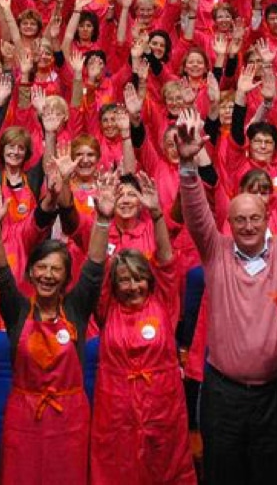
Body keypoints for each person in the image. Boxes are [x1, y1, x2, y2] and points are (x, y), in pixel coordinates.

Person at [177, 109, 277, 484]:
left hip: (276, 394)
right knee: (223, 474)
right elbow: (196, 212)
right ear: (229, 224)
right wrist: (187, 163)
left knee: (275, 475)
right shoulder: (215, 251)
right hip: (223, 394)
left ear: (268, 218)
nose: (248, 226)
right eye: (239, 220)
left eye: (255, 218)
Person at [0, 167, 108, 485]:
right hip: (24, 418)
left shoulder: (77, 308)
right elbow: (0, 273)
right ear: (31, 272)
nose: (48, 275)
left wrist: (103, 221)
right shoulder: (18, 310)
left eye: (56, 270)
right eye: (41, 268)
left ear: (67, 277)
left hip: (70, 419)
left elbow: (93, 269)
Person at [90, 171, 197, 484]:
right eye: (125, 280)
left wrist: (156, 213)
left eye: (138, 278)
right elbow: (96, 269)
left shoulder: (162, 300)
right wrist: (102, 218)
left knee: (166, 466)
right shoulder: (107, 306)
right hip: (116, 404)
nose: (133, 286)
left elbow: (165, 259)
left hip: (162, 402)